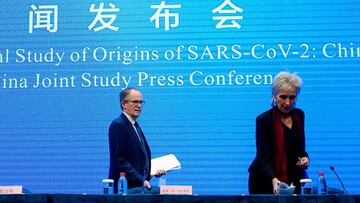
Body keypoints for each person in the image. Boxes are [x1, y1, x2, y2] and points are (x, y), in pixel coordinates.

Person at [248, 71, 310, 194]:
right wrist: (273, 179)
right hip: (265, 179)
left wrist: (305, 158)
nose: (287, 102)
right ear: (274, 95)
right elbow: (263, 157)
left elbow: (299, 148)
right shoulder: (264, 120)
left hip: (293, 178)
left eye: (292, 97)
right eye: (283, 97)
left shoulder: (299, 115)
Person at [108, 87, 165, 194]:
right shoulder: (118, 125)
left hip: (137, 189)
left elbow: (138, 159)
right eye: (135, 102)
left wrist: (151, 172)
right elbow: (119, 160)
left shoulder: (134, 125)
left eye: (140, 102)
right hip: (125, 190)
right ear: (123, 104)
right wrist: (141, 180)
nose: (139, 106)